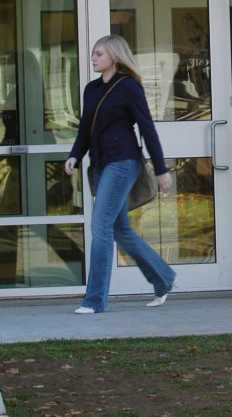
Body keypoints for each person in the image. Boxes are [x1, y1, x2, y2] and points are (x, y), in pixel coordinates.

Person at [64, 35, 176, 313]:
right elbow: (85, 129)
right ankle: (164, 278)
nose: (93, 58)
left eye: (99, 54)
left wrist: (161, 170)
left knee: (100, 226)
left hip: (124, 162)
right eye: (93, 54)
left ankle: (94, 300)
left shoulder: (128, 88)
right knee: (120, 230)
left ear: (114, 56)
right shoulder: (91, 90)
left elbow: (147, 129)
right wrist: (75, 156)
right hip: (100, 165)